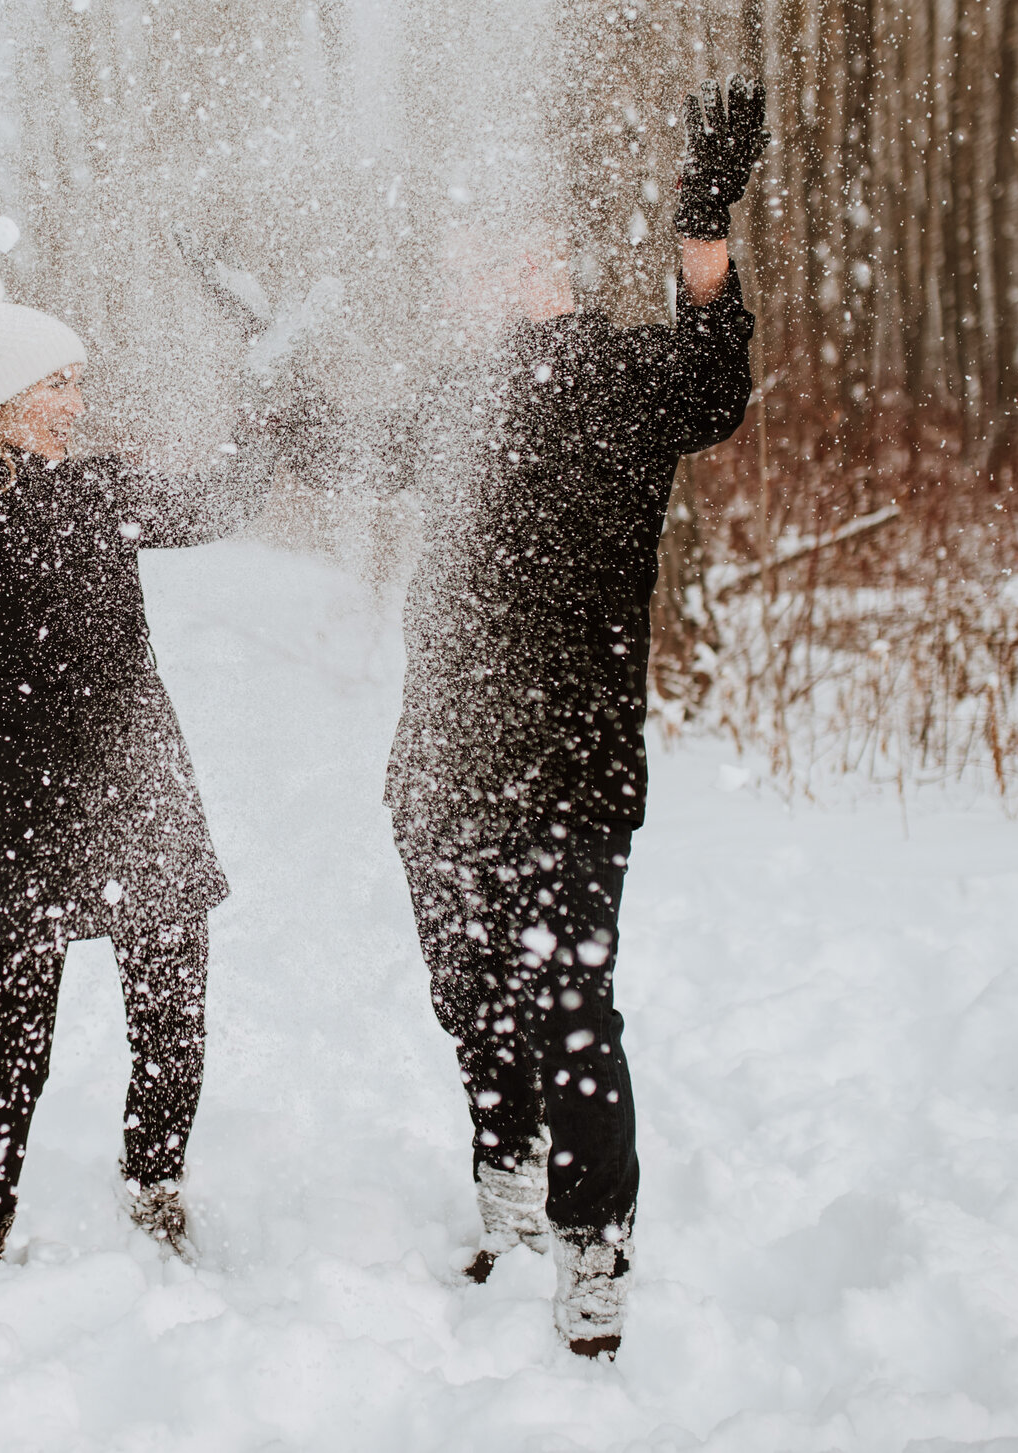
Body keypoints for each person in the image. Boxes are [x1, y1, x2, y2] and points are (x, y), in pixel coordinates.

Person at [386, 77, 767, 1357]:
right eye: (467, 249)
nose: (486, 265)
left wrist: (702, 237)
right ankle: (508, 1167)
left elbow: (714, 383)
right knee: (468, 990)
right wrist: (267, 349)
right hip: (437, 757)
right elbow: (340, 443)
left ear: (544, 253)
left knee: (567, 1002)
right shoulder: (446, 398)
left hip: (567, 756)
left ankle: (594, 1243)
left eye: (510, 240)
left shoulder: (621, 375)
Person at [0, 259, 281, 1263]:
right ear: (1, 397)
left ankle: (157, 1184)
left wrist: (255, 360)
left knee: (171, 1018)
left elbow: (231, 495)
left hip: (138, 788)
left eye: (78, 382)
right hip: (18, 807)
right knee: (11, 1039)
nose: (76, 405)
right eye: (57, 385)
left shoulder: (102, 489)